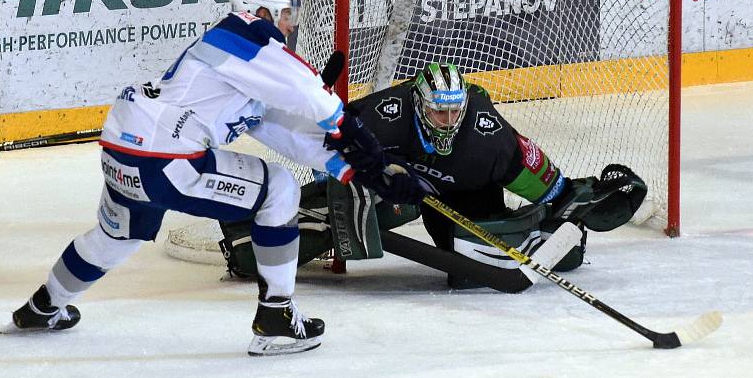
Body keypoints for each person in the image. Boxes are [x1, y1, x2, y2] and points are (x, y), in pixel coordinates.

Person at [2, 0, 417, 356]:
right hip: (164, 155)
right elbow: (308, 94)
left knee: (115, 238)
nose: (290, 24)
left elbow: (280, 129)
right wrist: (357, 136)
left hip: (123, 151)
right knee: (279, 187)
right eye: (286, 13)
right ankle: (275, 318)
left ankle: (43, 306)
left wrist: (356, 171)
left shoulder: (232, 68)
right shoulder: (245, 32)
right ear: (261, 11)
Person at [220, 62, 648, 292]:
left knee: (470, 271)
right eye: (438, 110)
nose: (447, 120)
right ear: (418, 102)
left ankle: (560, 250)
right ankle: (248, 243)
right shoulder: (385, 116)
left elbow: (552, 186)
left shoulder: (492, 139)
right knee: (355, 209)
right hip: (399, 186)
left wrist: (579, 205)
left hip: (465, 192)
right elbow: (329, 147)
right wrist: (360, 185)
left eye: (454, 110)